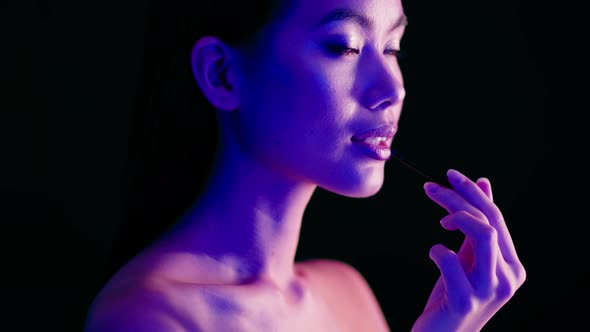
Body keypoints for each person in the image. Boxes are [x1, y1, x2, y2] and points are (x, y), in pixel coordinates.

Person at [83, 0, 526, 330]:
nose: (393, 88)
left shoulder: (348, 296)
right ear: (222, 73)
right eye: (344, 47)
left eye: (393, 48)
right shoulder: (148, 317)